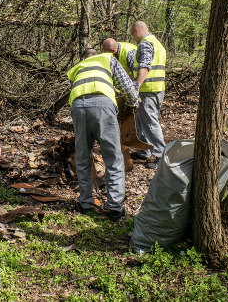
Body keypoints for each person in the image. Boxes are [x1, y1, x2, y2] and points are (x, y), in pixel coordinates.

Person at [68, 47, 138, 221]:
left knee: (83, 156)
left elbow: (74, 89)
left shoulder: (78, 67)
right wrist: (132, 104)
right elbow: (128, 88)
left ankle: (85, 203)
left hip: (78, 107)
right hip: (103, 105)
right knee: (113, 156)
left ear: (83, 57)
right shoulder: (108, 59)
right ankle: (115, 207)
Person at [130, 21, 167, 169]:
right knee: (141, 120)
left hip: (148, 89)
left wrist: (136, 86)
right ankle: (143, 151)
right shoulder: (157, 43)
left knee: (150, 122)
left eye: (132, 35)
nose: (133, 38)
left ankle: (160, 155)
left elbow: (144, 66)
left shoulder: (145, 43)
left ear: (137, 31)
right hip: (156, 88)